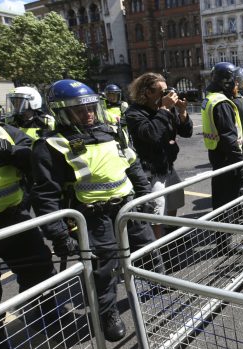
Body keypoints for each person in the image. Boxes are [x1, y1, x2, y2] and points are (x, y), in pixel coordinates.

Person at [30, 79, 160, 342]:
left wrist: (144, 196)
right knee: (103, 269)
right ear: (62, 113)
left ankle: (155, 281)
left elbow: (132, 165)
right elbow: (46, 196)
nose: (88, 113)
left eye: (90, 107)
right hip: (91, 216)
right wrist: (59, 235)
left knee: (148, 249)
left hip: (127, 208)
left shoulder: (111, 131)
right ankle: (108, 312)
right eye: (80, 109)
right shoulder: (51, 145)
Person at [0, 121, 56, 349]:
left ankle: (43, 313)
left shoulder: (2, 130)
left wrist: (10, 153)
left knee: (39, 268)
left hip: (12, 218)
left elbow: (33, 157)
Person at [125, 73, 193, 238]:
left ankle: (170, 232)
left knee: (176, 198)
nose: (167, 95)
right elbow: (151, 134)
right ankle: (157, 245)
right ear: (148, 92)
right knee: (157, 209)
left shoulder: (163, 110)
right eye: (162, 91)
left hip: (167, 164)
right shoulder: (134, 113)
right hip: (150, 168)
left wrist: (182, 112)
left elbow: (186, 132)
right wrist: (163, 109)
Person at [202, 62, 243, 210]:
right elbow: (228, 137)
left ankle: (223, 230)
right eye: (235, 80)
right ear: (226, 82)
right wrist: (241, 164)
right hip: (227, 158)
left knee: (221, 198)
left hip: (218, 155)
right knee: (227, 200)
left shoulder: (212, 98)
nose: (237, 84)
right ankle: (225, 231)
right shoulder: (222, 102)